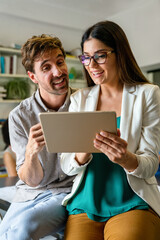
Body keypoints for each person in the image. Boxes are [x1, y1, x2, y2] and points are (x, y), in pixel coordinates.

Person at [60, 21, 160, 240]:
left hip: (133, 201)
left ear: (120, 53)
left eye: (100, 55)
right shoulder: (79, 99)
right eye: (86, 57)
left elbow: (151, 163)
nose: (91, 64)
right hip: (86, 202)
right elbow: (66, 165)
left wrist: (126, 159)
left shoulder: (148, 94)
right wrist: (81, 154)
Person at [0, 34, 76, 240]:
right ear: (32, 77)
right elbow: (31, 181)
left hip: (69, 193)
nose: (58, 71)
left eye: (60, 62)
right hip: (31, 193)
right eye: (46, 67)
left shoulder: (84, 103)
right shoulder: (19, 116)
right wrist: (31, 152)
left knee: (22, 230)